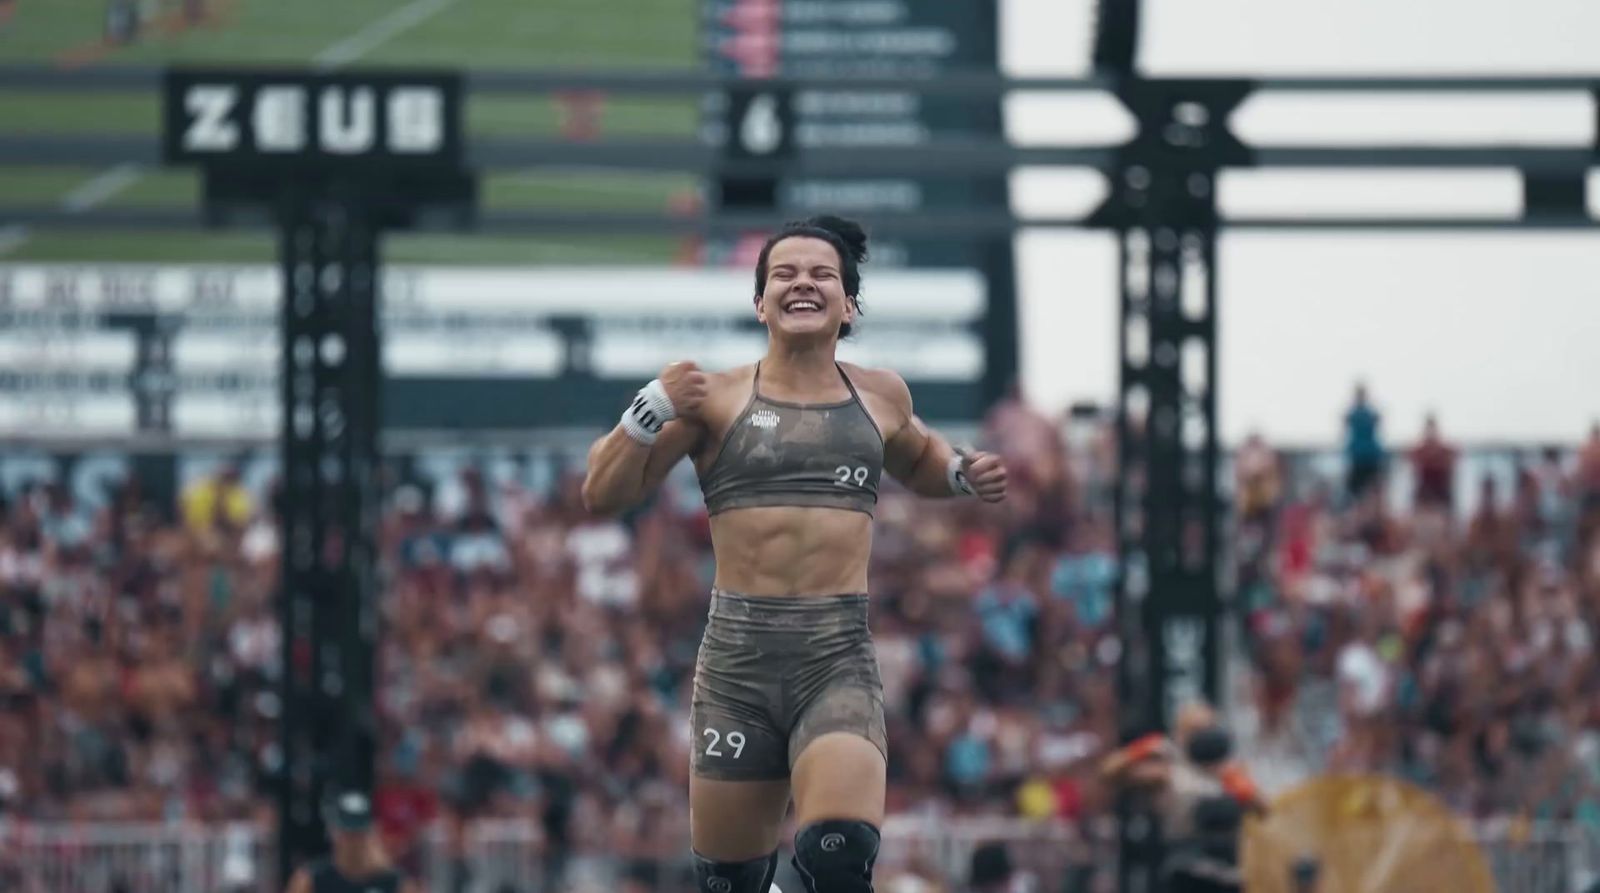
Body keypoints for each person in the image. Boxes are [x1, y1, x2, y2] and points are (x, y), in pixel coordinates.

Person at [582, 215, 1008, 893]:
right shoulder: (712, 398)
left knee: (840, 859)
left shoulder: (880, 395)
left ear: (850, 304)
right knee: (729, 881)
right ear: (759, 303)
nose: (802, 283)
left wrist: (962, 474)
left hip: (834, 659)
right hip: (737, 666)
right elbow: (602, 493)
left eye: (820, 274)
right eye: (783, 273)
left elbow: (923, 459)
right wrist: (650, 407)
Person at [284, 790, 421, 893]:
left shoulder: (395, 883)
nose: (353, 842)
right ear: (334, 832)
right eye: (348, 834)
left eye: (359, 834)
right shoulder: (311, 881)